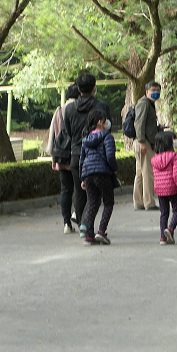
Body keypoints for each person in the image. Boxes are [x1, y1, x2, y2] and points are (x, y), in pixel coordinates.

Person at [61, 72, 113, 231]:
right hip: (100, 155)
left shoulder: (69, 109)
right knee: (98, 195)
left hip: (77, 154)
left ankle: (83, 225)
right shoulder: (102, 106)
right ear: (94, 88)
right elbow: (108, 127)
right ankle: (86, 224)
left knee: (80, 190)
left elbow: (67, 132)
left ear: (78, 88)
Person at [79, 109, 118, 244]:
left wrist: (82, 177)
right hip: (103, 173)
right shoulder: (107, 137)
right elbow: (110, 156)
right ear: (100, 122)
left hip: (88, 174)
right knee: (108, 202)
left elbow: (82, 160)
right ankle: (101, 231)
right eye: (106, 120)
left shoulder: (85, 139)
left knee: (92, 203)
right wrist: (115, 170)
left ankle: (89, 235)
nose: (108, 122)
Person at [45, 83, 80, 234]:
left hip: (62, 156)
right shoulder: (79, 109)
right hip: (76, 156)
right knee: (79, 188)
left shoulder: (58, 111)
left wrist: (52, 154)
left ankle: (66, 223)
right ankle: (79, 218)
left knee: (66, 189)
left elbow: (52, 134)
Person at [151, 131, 177, 244]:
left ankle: (163, 237)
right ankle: (170, 229)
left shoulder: (154, 159)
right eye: (173, 139)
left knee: (164, 213)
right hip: (172, 189)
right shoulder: (175, 157)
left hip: (160, 190)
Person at [133, 80, 162, 211]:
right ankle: (149, 202)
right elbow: (139, 123)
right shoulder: (144, 104)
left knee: (140, 173)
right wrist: (141, 141)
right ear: (147, 92)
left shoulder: (149, 104)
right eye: (153, 90)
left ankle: (138, 202)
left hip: (142, 141)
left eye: (158, 90)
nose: (156, 93)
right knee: (147, 172)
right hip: (143, 142)